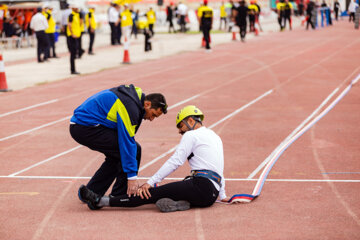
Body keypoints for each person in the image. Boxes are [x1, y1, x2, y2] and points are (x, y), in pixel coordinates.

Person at [79, 105, 229, 213]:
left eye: (181, 127)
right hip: (211, 195)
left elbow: (175, 161)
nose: (180, 132)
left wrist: (151, 183)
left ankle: (100, 201)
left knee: (150, 194)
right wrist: (222, 195)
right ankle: (181, 204)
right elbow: (219, 169)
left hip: (201, 186)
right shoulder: (215, 136)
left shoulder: (191, 135)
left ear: (190, 121)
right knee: (178, 186)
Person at [71, 84, 167, 200]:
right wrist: (131, 178)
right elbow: (127, 143)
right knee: (131, 150)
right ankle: (120, 195)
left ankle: (91, 192)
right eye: (153, 115)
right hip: (85, 127)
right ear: (147, 104)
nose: (151, 119)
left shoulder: (135, 101)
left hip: (86, 125)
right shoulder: (130, 108)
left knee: (117, 155)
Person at [67, 4, 81, 74]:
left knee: (75, 52)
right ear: (73, 8)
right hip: (72, 37)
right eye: (76, 8)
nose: (77, 9)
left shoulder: (76, 15)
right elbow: (69, 25)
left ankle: (73, 69)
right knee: (73, 53)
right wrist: (72, 33)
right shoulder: (71, 16)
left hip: (75, 36)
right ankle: (73, 70)